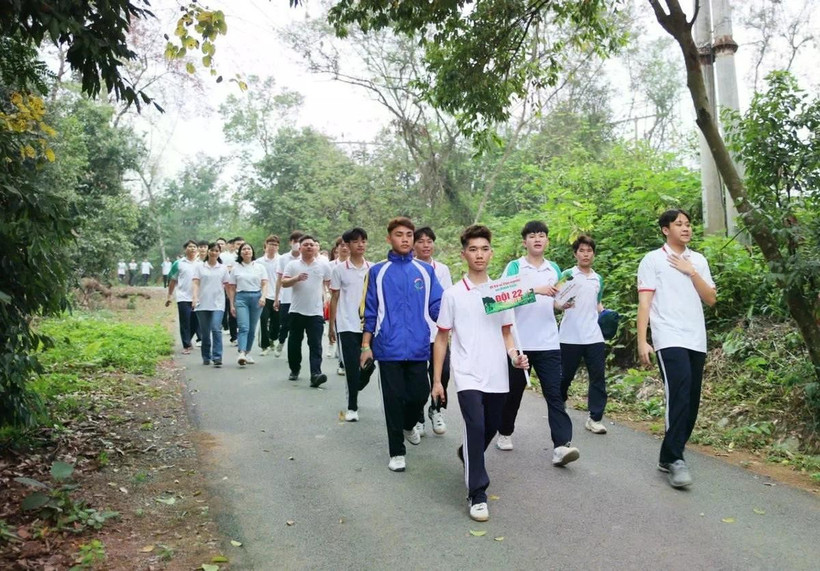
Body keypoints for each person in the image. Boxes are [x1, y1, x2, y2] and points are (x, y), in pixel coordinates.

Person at [433, 224, 528, 522]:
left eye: (484, 249)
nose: (479, 254)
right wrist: (437, 380)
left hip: (497, 371)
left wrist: (515, 357)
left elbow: (507, 334)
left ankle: (468, 454)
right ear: (464, 255)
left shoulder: (501, 292)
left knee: (492, 425)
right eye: (473, 249)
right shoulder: (452, 294)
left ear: (491, 253)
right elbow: (442, 337)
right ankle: (478, 493)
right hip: (467, 373)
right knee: (475, 426)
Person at [637, 209, 716, 489]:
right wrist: (642, 339)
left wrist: (691, 271)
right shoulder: (653, 260)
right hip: (668, 336)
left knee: (692, 400)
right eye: (679, 224)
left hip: (696, 337)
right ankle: (675, 459)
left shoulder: (699, 260)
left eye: (688, 224)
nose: (686, 228)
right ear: (665, 230)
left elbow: (710, 299)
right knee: (679, 393)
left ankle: (668, 454)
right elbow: (645, 302)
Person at [360, 217, 443, 472]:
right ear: (389, 238)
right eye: (399, 234)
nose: (405, 239)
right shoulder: (377, 271)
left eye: (409, 234)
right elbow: (370, 310)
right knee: (393, 400)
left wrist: (456, 320)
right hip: (388, 347)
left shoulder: (425, 271)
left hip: (419, 345)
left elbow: (438, 305)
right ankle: (397, 452)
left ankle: (409, 425)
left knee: (419, 394)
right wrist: (366, 345)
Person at [495, 220, 580, 467]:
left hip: (549, 343)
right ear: (525, 242)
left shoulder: (554, 269)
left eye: (542, 235)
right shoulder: (514, 267)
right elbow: (502, 299)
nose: (537, 239)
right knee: (513, 393)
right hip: (519, 343)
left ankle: (561, 446)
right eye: (532, 236)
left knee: (555, 394)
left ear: (547, 241)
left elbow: (552, 300)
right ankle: (505, 431)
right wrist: (536, 290)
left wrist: (561, 304)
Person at [559, 235, 609, 435]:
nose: (585, 254)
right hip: (569, 336)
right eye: (582, 250)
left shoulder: (598, 278)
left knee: (598, 377)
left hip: (593, 336)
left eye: (589, 251)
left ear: (593, 254)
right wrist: (561, 304)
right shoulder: (567, 274)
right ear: (575, 253)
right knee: (565, 376)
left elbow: (597, 303)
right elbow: (557, 298)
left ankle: (595, 418)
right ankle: (560, 403)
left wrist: (606, 316)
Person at [414, 226, 453, 436]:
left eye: (429, 241)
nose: (426, 245)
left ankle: (436, 410)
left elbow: (448, 299)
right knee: (419, 378)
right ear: (413, 245)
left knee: (443, 373)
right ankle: (418, 416)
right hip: (417, 333)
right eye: (421, 241)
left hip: (439, 332)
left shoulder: (442, 269)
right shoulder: (409, 268)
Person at [329, 228, 372, 421]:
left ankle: (356, 383)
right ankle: (352, 406)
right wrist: (331, 326)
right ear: (346, 245)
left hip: (369, 325)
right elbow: (335, 297)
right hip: (346, 324)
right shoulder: (338, 270)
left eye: (363, 241)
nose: (360, 244)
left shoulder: (373, 268)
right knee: (352, 366)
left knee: (370, 364)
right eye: (356, 241)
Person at [282, 235, 332, 387]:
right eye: (306, 245)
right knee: (294, 343)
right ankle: (294, 369)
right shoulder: (292, 265)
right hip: (296, 310)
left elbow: (329, 284)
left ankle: (315, 374)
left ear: (316, 247)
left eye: (312, 244)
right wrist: (295, 279)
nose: (309, 247)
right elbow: (284, 283)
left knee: (316, 344)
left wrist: (329, 297)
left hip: (316, 312)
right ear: (300, 247)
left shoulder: (323, 266)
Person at [227, 242, 268, 367]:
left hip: (256, 297)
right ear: (240, 252)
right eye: (243, 249)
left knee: (252, 327)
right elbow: (232, 287)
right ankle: (242, 352)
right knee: (243, 326)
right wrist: (232, 304)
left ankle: (247, 352)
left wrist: (263, 297)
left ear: (252, 252)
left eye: (248, 249)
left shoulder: (260, 267)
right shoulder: (236, 268)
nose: (246, 251)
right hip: (241, 298)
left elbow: (265, 283)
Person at [192, 243, 230, 367]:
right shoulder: (200, 267)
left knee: (216, 328)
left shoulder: (223, 268)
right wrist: (194, 298)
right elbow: (196, 283)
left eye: (216, 250)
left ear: (219, 252)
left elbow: (227, 286)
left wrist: (232, 303)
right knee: (205, 332)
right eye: (212, 250)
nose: (214, 253)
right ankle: (206, 356)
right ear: (208, 252)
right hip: (202, 303)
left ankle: (217, 356)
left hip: (218, 303)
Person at [165, 241, 201, 355]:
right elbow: (173, 280)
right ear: (185, 249)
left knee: (196, 322)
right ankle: (186, 345)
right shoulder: (178, 263)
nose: (192, 249)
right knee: (185, 321)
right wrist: (169, 295)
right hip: (183, 296)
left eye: (194, 247)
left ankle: (188, 339)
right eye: (190, 247)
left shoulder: (201, 263)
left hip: (199, 297)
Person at [274, 231, 304, 357]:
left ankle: (293, 351)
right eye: (295, 241)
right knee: (285, 324)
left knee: (296, 328)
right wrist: (276, 298)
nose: (297, 244)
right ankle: (281, 341)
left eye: (299, 242)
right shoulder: (283, 259)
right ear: (291, 242)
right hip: (286, 297)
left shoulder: (306, 258)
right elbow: (279, 279)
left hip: (301, 298)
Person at [256, 235, 281, 356]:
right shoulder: (258, 262)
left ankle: (272, 338)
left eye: (276, 245)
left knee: (276, 323)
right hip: (263, 296)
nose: (273, 247)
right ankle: (264, 346)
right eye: (271, 244)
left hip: (278, 296)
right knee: (263, 320)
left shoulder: (282, 260)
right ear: (265, 245)